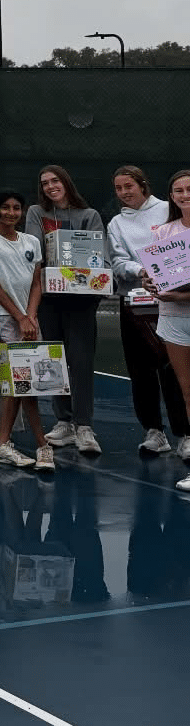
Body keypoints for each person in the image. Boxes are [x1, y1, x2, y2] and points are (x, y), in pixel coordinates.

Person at [25, 164, 105, 456]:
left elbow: (99, 257)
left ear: (66, 183)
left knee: (81, 361)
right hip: (49, 298)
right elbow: (36, 251)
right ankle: (64, 422)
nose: (50, 186)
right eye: (44, 182)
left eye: (55, 180)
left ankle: (84, 426)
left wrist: (93, 281)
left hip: (82, 300)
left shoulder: (89, 216)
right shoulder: (37, 212)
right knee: (53, 360)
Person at [106, 165, 186, 457]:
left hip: (172, 302)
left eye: (129, 186)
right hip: (133, 305)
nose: (124, 193)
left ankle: (185, 434)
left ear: (143, 185)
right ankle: (154, 432)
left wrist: (164, 275)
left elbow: (180, 249)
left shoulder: (168, 210)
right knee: (140, 370)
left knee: (174, 370)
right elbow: (117, 263)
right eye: (118, 188)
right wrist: (141, 270)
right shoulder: (115, 223)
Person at [0, 191, 53, 472]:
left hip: (29, 321)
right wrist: (19, 317)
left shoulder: (32, 241)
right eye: (5, 208)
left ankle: (18, 444)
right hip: (4, 320)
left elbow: (36, 283)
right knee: (17, 382)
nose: (11, 213)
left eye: (16, 208)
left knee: (27, 383)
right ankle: (20, 444)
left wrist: (31, 317)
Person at [151, 172, 190, 493]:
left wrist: (180, 295)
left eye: (189, 189)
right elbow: (159, 275)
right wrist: (152, 282)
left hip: (181, 305)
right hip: (173, 319)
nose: (184, 194)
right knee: (187, 391)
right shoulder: (164, 231)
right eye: (178, 190)